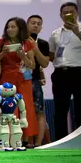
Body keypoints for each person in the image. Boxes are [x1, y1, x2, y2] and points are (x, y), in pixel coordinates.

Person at [48, 2, 81, 141]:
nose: (68, 15)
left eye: (71, 12)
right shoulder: (55, 33)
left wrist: (77, 32)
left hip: (80, 72)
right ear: (61, 15)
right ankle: (60, 140)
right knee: (60, 110)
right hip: (60, 73)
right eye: (65, 12)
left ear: (77, 13)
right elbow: (52, 55)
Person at [0, 17, 38, 144]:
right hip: (6, 79)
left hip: (24, 78)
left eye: (13, 27)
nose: (10, 29)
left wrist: (22, 56)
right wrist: (3, 54)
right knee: (8, 107)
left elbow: (32, 65)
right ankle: (8, 138)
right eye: (8, 27)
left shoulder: (27, 43)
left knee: (25, 107)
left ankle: (26, 140)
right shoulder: (1, 42)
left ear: (20, 29)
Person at [26, 15, 50, 147]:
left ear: (41, 28)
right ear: (27, 25)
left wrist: (35, 48)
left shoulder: (43, 43)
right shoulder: (19, 41)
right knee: (24, 111)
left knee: (39, 111)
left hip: (34, 81)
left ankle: (39, 143)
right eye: (33, 23)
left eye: (39, 24)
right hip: (20, 81)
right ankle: (27, 141)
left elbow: (45, 63)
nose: (36, 25)